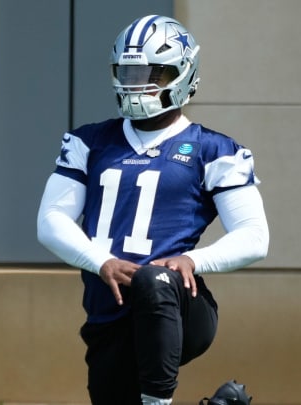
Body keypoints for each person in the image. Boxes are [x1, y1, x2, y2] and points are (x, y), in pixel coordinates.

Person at [37, 15, 269, 405]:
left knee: (152, 280)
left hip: (178, 308)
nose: (138, 84)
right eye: (129, 72)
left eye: (153, 73)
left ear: (183, 74)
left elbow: (254, 236)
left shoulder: (214, 149)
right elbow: (51, 221)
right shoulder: (90, 141)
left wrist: (192, 261)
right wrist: (102, 262)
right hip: (108, 313)